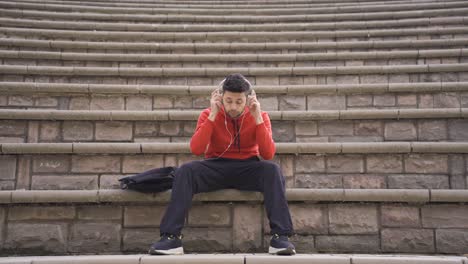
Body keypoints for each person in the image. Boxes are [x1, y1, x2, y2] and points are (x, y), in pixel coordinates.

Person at [148, 73, 295, 255]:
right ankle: (171, 238)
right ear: (220, 97)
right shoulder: (208, 114)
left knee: (272, 170)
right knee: (185, 171)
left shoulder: (261, 116)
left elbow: (267, 153)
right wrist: (213, 115)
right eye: (229, 100)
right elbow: (196, 149)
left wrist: (257, 117)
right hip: (216, 166)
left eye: (239, 101)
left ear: (248, 100)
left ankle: (280, 237)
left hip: (248, 167)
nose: (233, 107)